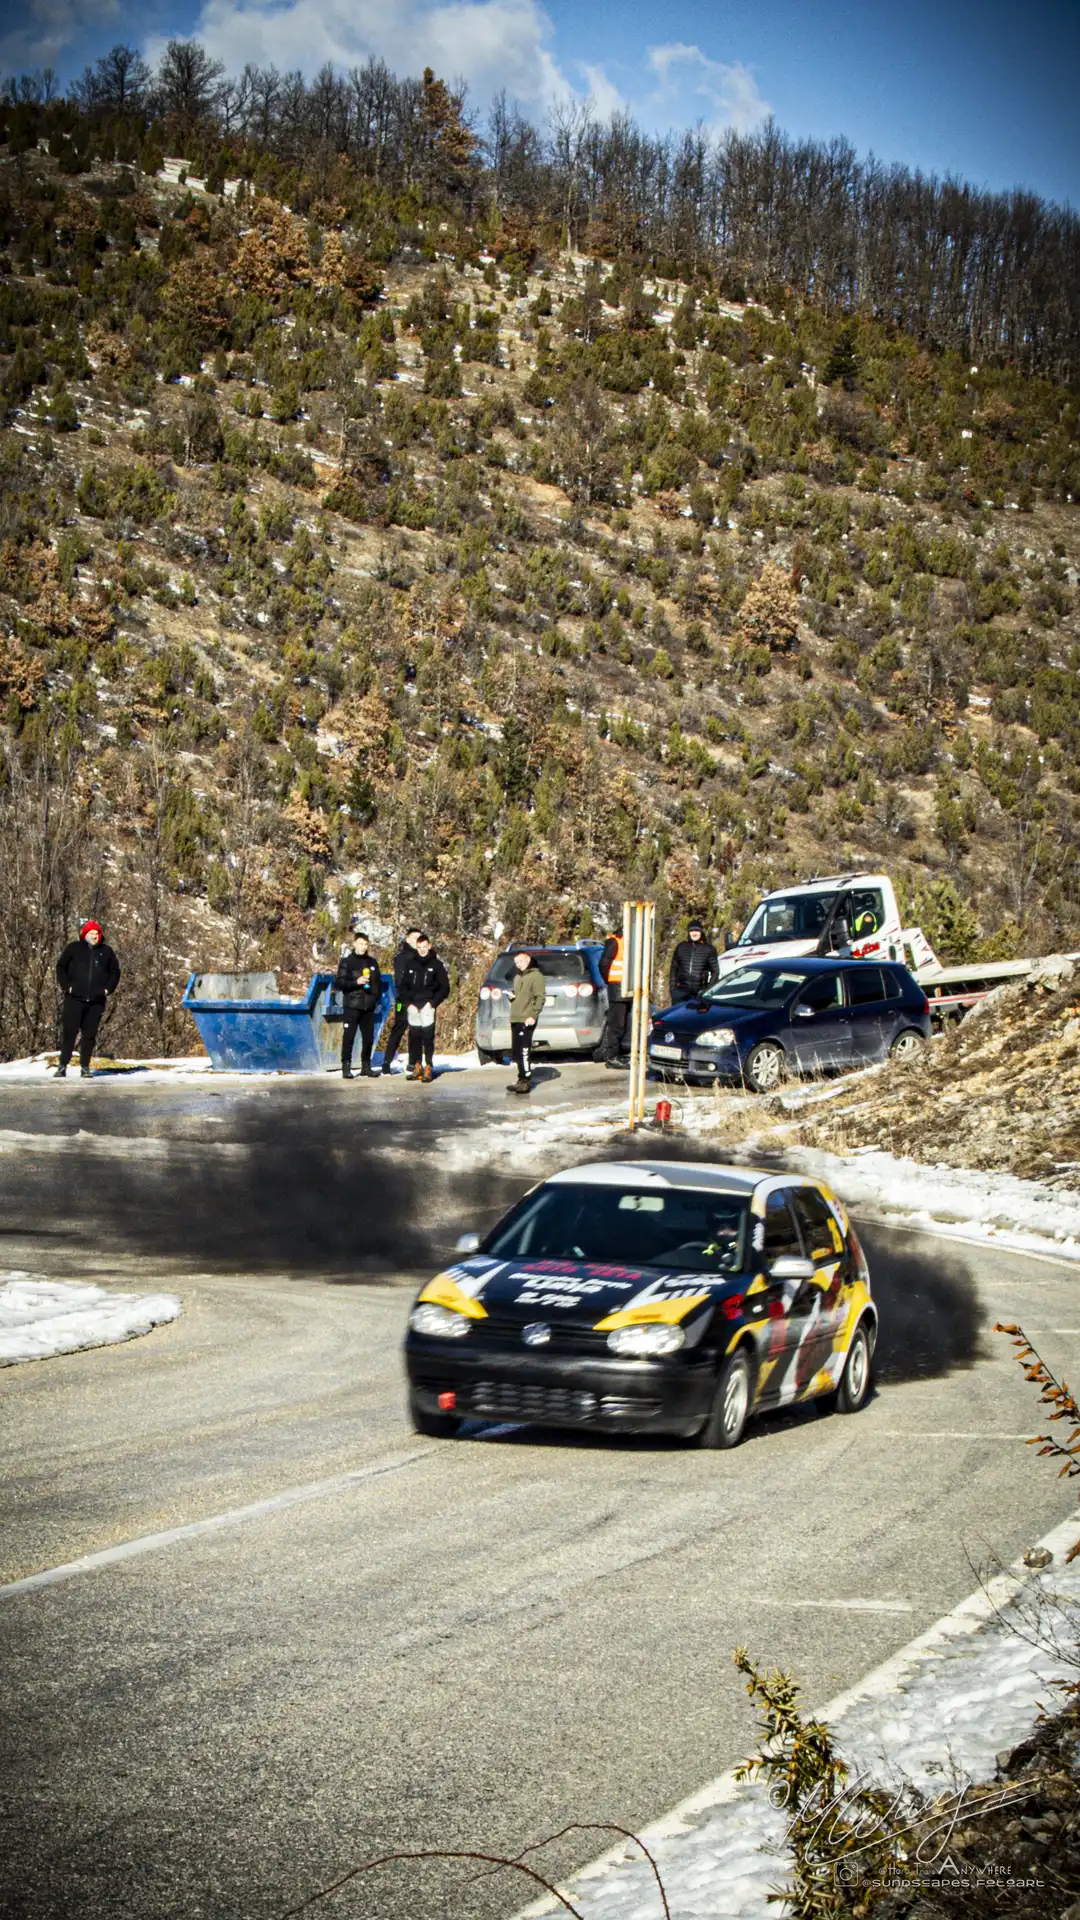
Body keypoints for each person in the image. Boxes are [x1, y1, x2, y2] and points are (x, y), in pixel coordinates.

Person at [54, 919, 121, 1079]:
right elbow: (61, 967)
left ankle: (85, 1067)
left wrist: (107, 990)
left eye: (97, 933)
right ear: (84, 934)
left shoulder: (106, 952)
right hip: (74, 998)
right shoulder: (74, 948)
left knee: (89, 1035)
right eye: (91, 933)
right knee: (69, 1033)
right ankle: (62, 1066)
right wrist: (67, 986)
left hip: (96, 1001)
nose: (94, 936)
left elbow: (115, 972)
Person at [399, 933, 450, 1083]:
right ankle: (417, 1065)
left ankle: (428, 1066)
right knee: (415, 1037)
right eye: (419, 947)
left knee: (428, 1038)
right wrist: (408, 1004)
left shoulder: (437, 965)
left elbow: (445, 988)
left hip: (428, 1006)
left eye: (424, 947)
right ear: (416, 947)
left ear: (429, 946)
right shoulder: (410, 964)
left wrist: (433, 1003)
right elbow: (403, 987)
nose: (422, 950)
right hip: (413, 1007)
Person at [333, 930, 383, 1079]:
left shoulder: (372, 962)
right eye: (360, 944)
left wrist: (375, 997)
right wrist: (356, 982)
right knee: (349, 1036)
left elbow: (377, 984)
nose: (363, 947)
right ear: (354, 944)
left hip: (368, 1005)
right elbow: (339, 982)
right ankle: (346, 1067)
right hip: (352, 1004)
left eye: (365, 944)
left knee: (368, 1038)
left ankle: (366, 1066)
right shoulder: (347, 962)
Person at [380, 927, 421, 1074]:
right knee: (401, 1029)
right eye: (415, 938)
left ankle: (411, 1063)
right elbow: (400, 980)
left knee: (412, 1031)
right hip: (403, 1001)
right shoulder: (404, 957)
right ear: (408, 939)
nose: (418, 941)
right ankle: (387, 1062)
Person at [507, 950, 546, 1095]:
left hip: (527, 1018)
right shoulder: (518, 977)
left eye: (521, 962)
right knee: (516, 1051)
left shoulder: (536, 976)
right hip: (515, 1017)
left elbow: (540, 997)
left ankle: (525, 1081)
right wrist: (512, 996)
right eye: (516, 963)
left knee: (524, 1050)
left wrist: (533, 1015)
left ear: (528, 960)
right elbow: (519, 996)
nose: (519, 965)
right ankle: (520, 1078)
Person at [597, 924, 630, 1068]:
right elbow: (603, 964)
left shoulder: (631, 942)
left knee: (625, 1023)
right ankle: (611, 1056)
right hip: (617, 987)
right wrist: (609, 981)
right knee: (616, 1024)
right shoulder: (615, 942)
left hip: (629, 987)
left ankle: (617, 1054)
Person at [669, 919, 719, 1004]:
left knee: (695, 1016)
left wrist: (708, 989)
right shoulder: (681, 947)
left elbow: (715, 971)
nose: (694, 933)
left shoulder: (709, 949)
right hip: (681, 991)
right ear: (688, 932)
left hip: (699, 992)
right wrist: (673, 989)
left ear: (701, 932)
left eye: (697, 930)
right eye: (692, 930)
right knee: (678, 1016)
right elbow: (674, 968)